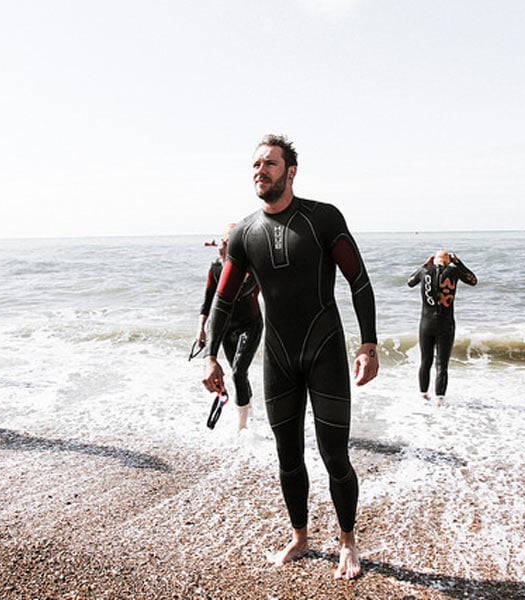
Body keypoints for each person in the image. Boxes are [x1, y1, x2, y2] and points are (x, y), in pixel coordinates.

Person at [202, 135, 378, 580]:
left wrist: (368, 344)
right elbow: (222, 300)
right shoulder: (244, 234)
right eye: (256, 164)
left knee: (334, 454)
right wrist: (210, 357)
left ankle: (347, 541)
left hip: (325, 353)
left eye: (270, 164)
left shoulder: (323, 219)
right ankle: (300, 537)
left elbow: (358, 280)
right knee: (287, 454)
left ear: (291, 171)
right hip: (278, 357)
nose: (260, 170)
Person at [195, 223, 263, 431]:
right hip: (225, 328)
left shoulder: (252, 267)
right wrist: (201, 329)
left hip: (250, 326)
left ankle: (242, 428)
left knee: (238, 372)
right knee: (238, 374)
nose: (223, 246)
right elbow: (208, 302)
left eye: (228, 244)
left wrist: (228, 260)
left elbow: (236, 291)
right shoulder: (215, 267)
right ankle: (248, 412)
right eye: (223, 242)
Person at [407, 250, 477, 405]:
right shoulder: (454, 270)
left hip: (426, 323)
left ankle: (423, 396)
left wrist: (425, 264)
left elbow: (410, 282)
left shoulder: (425, 271)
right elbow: (473, 280)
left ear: (434, 260)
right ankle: (439, 400)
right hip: (446, 323)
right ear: (448, 260)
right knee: (442, 364)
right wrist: (458, 263)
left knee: (425, 361)